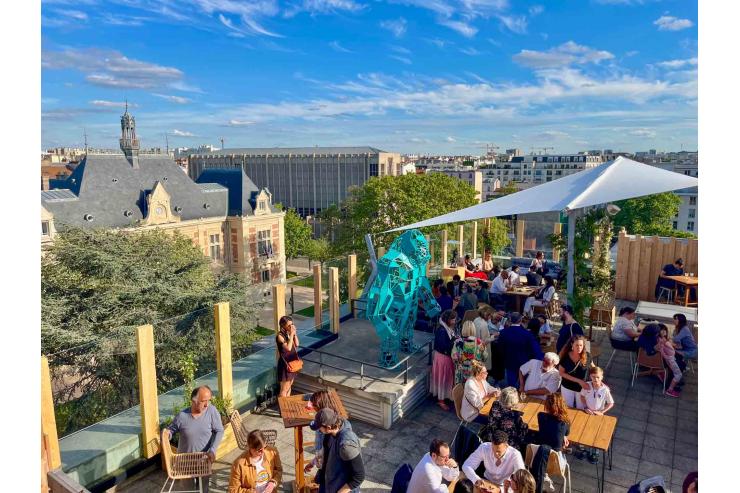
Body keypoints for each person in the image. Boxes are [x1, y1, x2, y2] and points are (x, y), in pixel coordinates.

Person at [166, 386, 224, 493]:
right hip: (185, 462)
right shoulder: (182, 416)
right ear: (194, 400)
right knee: (188, 490)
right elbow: (170, 431)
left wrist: (213, 450)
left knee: (204, 489)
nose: (207, 404)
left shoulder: (211, 411)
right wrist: (166, 434)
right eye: (203, 401)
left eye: (208, 401)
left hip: (204, 460)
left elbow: (219, 430)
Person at [314, 408, 365, 493]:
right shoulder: (332, 431)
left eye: (320, 428)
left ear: (329, 427)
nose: (319, 430)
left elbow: (359, 475)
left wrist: (341, 492)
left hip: (340, 488)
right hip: (329, 483)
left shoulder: (346, 446)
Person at [497, 312, 543, 387]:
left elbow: (500, 349)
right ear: (521, 320)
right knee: (523, 386)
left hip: (509, 363)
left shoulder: (503, 333)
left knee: (511, 387)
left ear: (510, 320)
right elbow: (536, 351)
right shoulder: (527, 334)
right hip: (524, 364)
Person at [304, 390, 342, 475]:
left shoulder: (329, 435)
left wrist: (315, 463)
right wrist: (312, 463)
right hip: (325, 465)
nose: (313, 407)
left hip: (328, 470)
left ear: (327, 428)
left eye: (314, 405)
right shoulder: (331, 417)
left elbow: (323, 452)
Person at [482, 387, 529, 453]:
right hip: (507, 445)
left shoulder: (495, 404)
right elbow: (522, 430)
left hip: (491, 438)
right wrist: (526, 425)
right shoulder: (514, 415)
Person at [432, 310, 458, 411]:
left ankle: (445, 397)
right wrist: (454, 341)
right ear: (447, 320)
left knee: (446, 378)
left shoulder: (446, 328)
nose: (455, 321)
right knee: (442, 379)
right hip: (442, 357)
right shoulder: (442, 330)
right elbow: (443, 346)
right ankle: (441, 400)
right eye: (453, 319)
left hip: (446, 357)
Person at [557, 335, 590, 408]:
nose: (579, 348)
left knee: (581, 409)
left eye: (581, 345)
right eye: (577, 345)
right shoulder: (565, 356)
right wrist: (579, 381)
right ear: (572, 345)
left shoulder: (587, 356)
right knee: (566, 408)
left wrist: (600, 380)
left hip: (582, 389)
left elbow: (593, 368)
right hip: (567, 387)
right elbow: (561, 372)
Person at [276, 315, 300, 397]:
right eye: (289, 325)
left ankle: (287, 403)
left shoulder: (289, 334)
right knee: (284, 389)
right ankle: (282, 407)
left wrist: (294, 334)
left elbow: (297, 344)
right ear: (283, 325)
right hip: (285, 364)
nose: (291, 327)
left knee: (289, 385)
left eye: (292, 324)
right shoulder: (280, 336)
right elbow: (288, 348)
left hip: (292, 363)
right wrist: (292, 334)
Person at [656, 325, 683, 398]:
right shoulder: (661, 341)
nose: (664, 331)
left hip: (670, 359)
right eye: (662, 330)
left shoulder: (662, 339)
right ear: (657, 332)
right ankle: (670, 390)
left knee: (676, 370)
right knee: (678, 375)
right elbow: (662, 351)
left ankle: (661, 374)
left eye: (665, 330)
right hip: (671, 360)